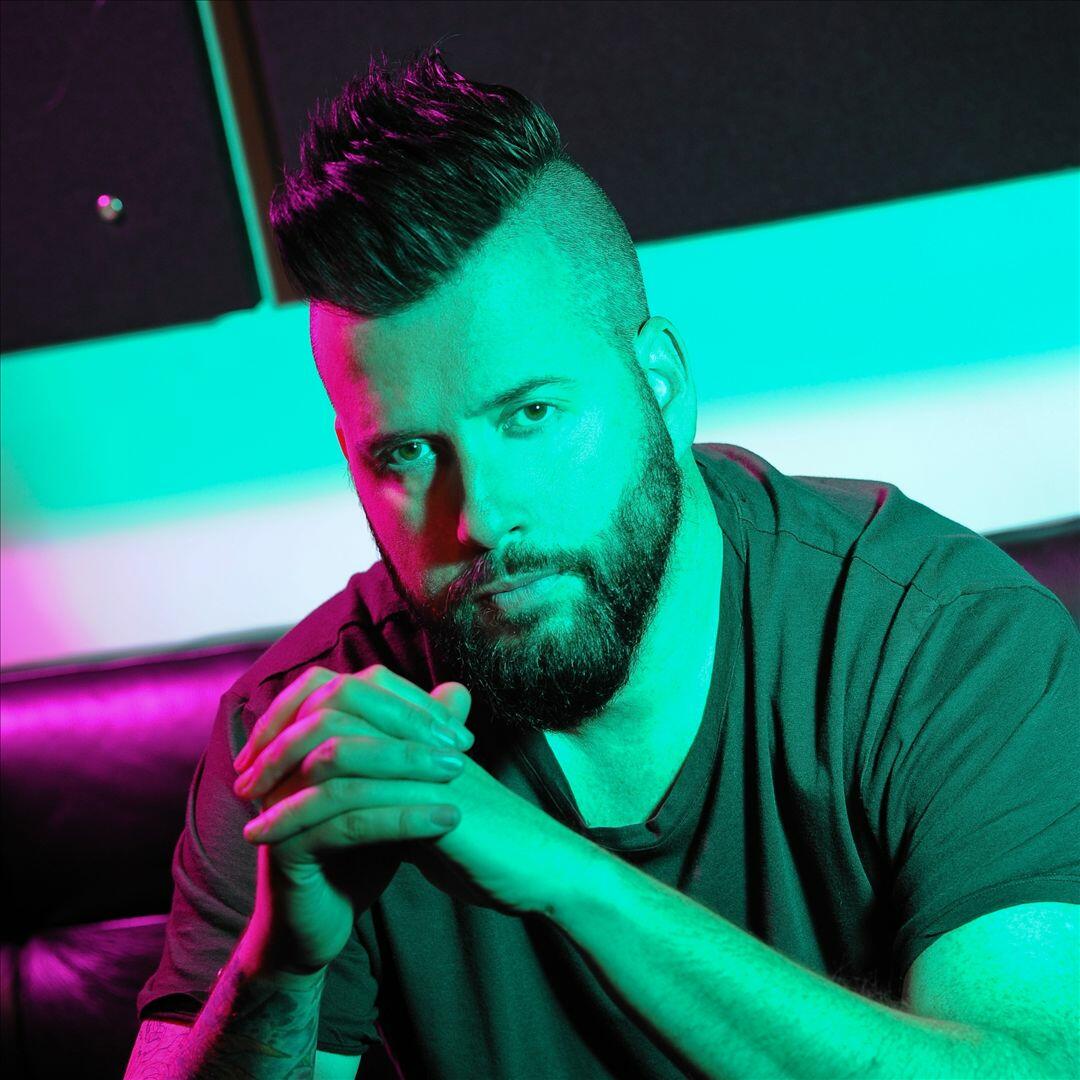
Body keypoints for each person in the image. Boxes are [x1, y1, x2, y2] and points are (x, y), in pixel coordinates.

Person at [124, 43, 1079, 1080]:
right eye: (405, 455)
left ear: (660, 382)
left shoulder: (938, 639)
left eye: (531, 415)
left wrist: (569, 880)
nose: (479, 517)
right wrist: (280, 965)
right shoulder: (310, 731)